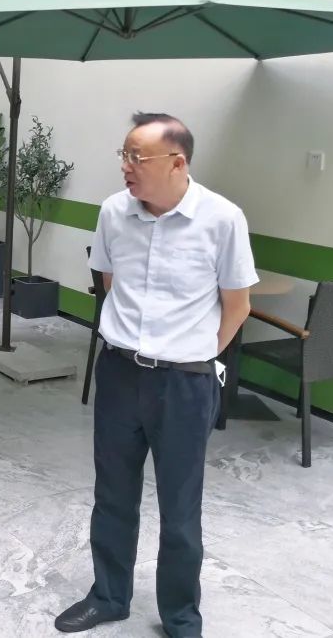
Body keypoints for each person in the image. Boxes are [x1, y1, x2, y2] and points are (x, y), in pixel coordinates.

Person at [55, 112, 257, 638]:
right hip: (120, 373)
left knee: (180, 508)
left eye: (136, 157)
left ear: (177, 162)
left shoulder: (222, 219)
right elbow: (109, 281)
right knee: (113, 494)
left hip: (184, 384)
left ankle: (181, 616)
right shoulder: (113, 212)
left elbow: (237, 305)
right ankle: (109, 596)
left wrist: (193, 353)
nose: (125, 166)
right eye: (123, 155)